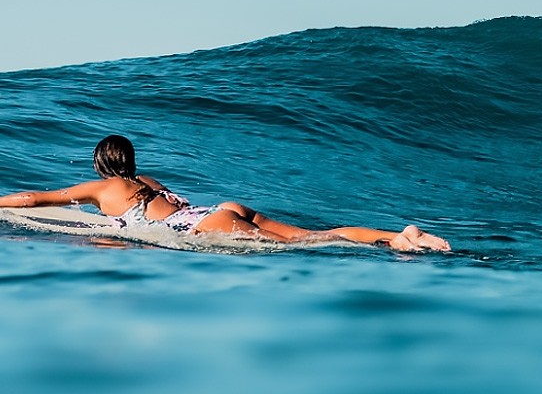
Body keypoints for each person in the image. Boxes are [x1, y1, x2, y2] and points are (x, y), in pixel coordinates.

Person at [0, 135, 450, 252]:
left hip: (201, 224)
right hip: (218, 209)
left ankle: (400, 242)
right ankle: (399, 236)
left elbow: (34, 199)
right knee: (311, 234)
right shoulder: (147, 181)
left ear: (100, 164)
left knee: (310, 246)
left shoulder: (103, 187)